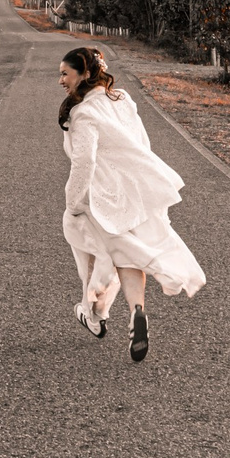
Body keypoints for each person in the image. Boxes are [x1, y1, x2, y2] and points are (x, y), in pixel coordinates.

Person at [58, 43, 204, 361]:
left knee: (97, 252)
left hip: (102, 195)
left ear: (84, 73)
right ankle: (136, 310)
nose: (61, 81)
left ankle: (93, 313)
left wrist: (73, 201)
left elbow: (84, 162)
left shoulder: (83, 113)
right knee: (129, 255)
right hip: (133, 190)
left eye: (65, 74)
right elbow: (142, 143)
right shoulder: (122, 98)